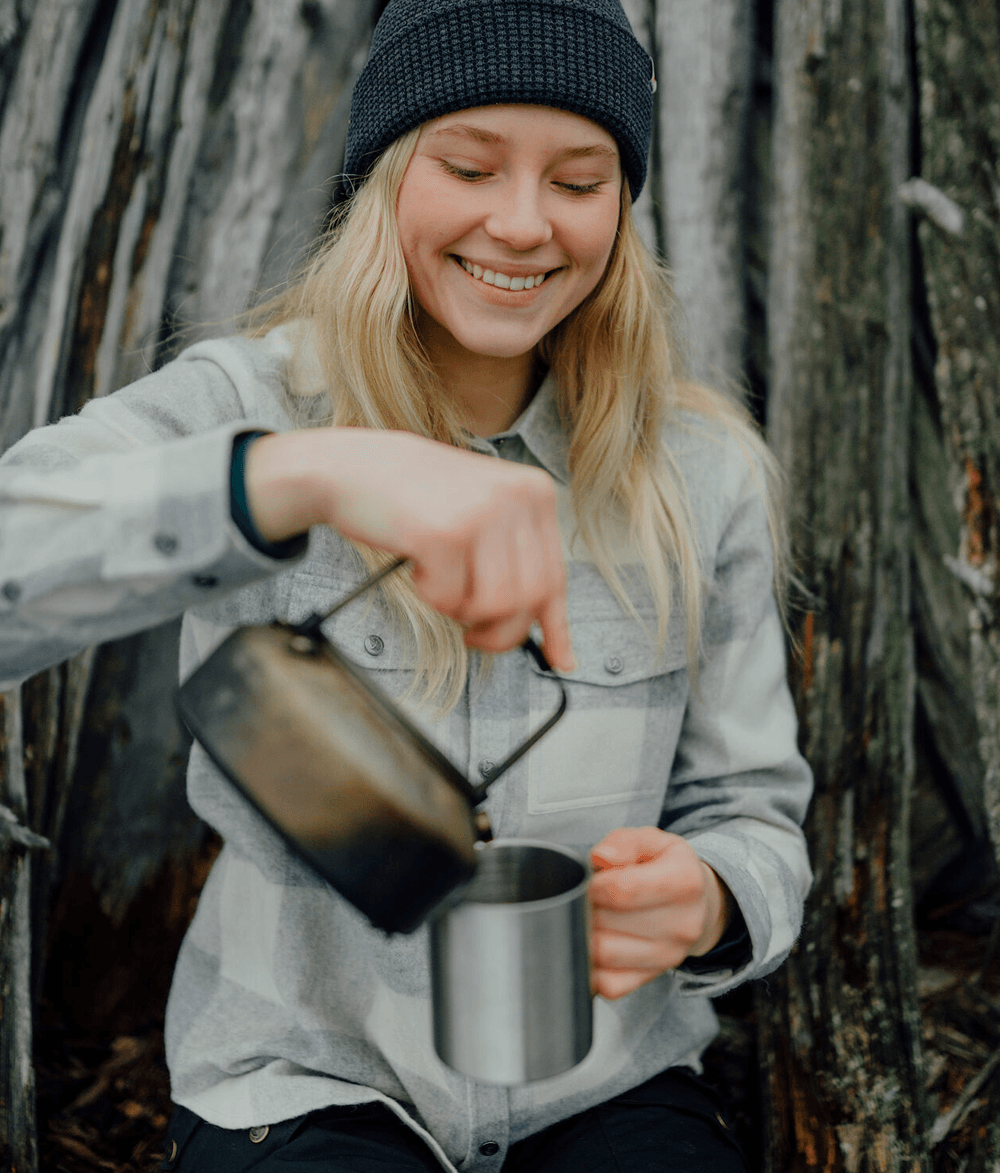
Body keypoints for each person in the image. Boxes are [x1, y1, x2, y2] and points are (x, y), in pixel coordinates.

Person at [0, 0, 813, 1169]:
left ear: (624, 210)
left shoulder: (702, 475)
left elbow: (752, 813)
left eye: (579, 181)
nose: (524, 225)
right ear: (384, 176)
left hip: (603, 1086)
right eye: (469, 165)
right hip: (301, 1074)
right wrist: (309, 477)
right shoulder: (252, 408)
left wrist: (714, 899)